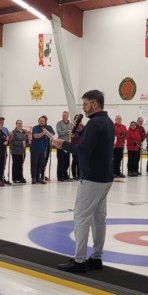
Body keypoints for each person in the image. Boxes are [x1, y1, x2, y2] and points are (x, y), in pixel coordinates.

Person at [51, 90, 115, 273]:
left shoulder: (95, 123)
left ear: (94, 104)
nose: (84, 108)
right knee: (98, 218)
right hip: (105, 177)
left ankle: (79, 260)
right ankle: (96, 257)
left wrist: (63, 145)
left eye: (86, 104)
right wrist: (83, 130)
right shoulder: (107, 122)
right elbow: (97, 142)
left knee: (81, 217)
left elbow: (85, 150)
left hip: (92, 177)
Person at [29, 115, 54, 184]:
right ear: (38, 121)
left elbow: (52, 134)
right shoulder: (35, 128)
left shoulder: (47, 128)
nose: (41, 122)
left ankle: (38, 177)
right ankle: (33, 178)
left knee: (41, 164)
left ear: (45, 122)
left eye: (43, 121)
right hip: (35, 149)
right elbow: (35, 136)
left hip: (43, 149)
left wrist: (49, 133)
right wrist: (43, 133)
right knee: (34, 164)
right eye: (40, 121)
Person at [55, 111, 72, 181]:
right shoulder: (59, 123)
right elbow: (59, 132)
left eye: (65, 115)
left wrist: (72, 133)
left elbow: (72, 132)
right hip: (60, 144)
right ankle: (60, 176)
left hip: (67, 144)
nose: (63, 116)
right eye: (63, 115)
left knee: (67, 161)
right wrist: (67, 131)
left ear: (68, 116)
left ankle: (65, 174)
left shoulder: (70, 124)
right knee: (61, 161)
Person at [70, 114, 85, 179]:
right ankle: (74, 175)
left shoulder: (83, 126)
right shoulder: (72, 126)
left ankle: (79, 174)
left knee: (80, 160)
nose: (77, 120)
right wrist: (72, 135)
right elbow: (72, 135)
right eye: (76, 119)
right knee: (75, 160)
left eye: (78, 119)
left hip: (81, 145)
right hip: (74, 145)